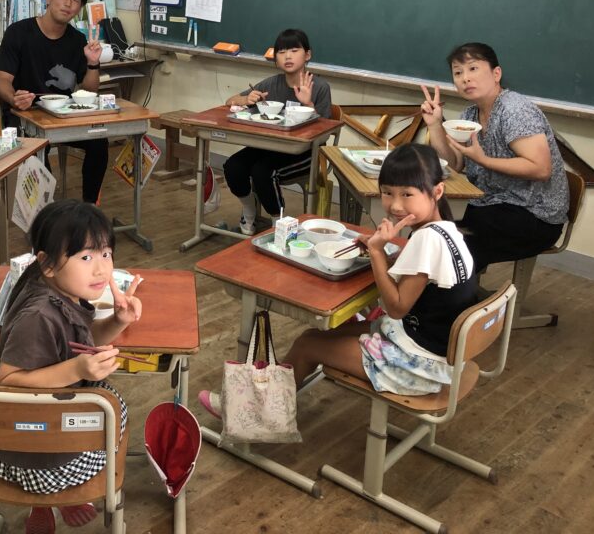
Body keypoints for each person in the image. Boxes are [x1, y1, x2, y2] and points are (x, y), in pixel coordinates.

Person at [199, 144, 477, 415]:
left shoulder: (426, 240)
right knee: (316, 336)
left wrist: (377, 252)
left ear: (437, 191)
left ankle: (249, 413)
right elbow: (419, 282)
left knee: (307, 345)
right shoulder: (447, 231)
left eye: (407, 194)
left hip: (418, 366)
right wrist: (382, 253)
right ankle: (266, 402)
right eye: (387, 193)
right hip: (435, 353)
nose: (395, 205)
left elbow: (396, 307)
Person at [0, 199, 142, 533]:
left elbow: (80, 338)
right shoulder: (39, 316)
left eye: (106, 253)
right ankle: (53, 497)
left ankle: (46, 502)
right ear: (47, 264)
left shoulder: (52, 286)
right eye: (85, 257)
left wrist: (118, 320)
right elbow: (8, 381)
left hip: (30, 434)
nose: (101, 269)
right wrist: (78, 371)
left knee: (105, 401)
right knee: (114, 410)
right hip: (32, 457)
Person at [420, 42, 569, 274]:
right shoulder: (470, 114)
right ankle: (436, 287)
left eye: (473, 68)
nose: (465, 78)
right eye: (458, 73)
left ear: (496, 73)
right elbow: (455, 164)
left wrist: (483, 160)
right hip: (493, 204)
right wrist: (435, 124)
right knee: (429, 221)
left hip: (535, 215)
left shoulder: (515, 111)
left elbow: (541, 169)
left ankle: (452, 291)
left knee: (451, 238)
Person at [0, 0, 106, 203]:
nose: (69, 3)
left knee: (99, 141)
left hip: (61, 118)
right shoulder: (18, 33)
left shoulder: (77, 40)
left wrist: (93, 63)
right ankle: (46, 214)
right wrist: (14, 98)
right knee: (37, 156)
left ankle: (89, 209)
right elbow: (2, 81)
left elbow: (89, 91)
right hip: (23, 116)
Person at [222, 28, 332, 234]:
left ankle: (278, 223)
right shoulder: (271, 84)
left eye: (294, 50)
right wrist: (246, 99)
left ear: (307, 55)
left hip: (306, 152)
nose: (287, 56)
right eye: (281, 52)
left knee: (263, 172)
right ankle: (249, 210)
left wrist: (308, 104)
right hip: (270, 147)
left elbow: (325, 131)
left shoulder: (320, 87)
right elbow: (230, 101)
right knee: (233, 166)